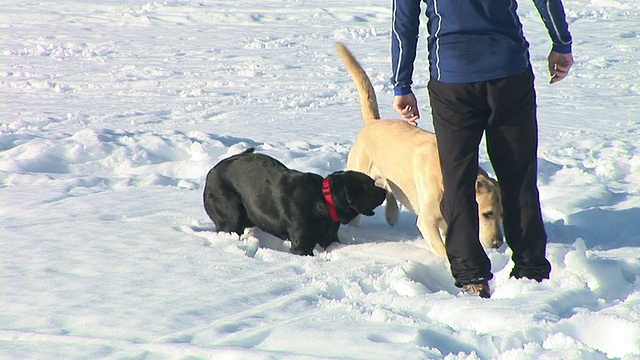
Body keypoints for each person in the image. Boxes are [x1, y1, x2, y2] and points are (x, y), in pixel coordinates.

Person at [391, 0, 574, 298]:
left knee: (458, 180)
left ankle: (470, 276)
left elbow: (404, 19)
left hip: (453, 78)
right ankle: (531, 271)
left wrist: (401, 83)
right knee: (518, 177)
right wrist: (561, 42)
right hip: (508, 73)